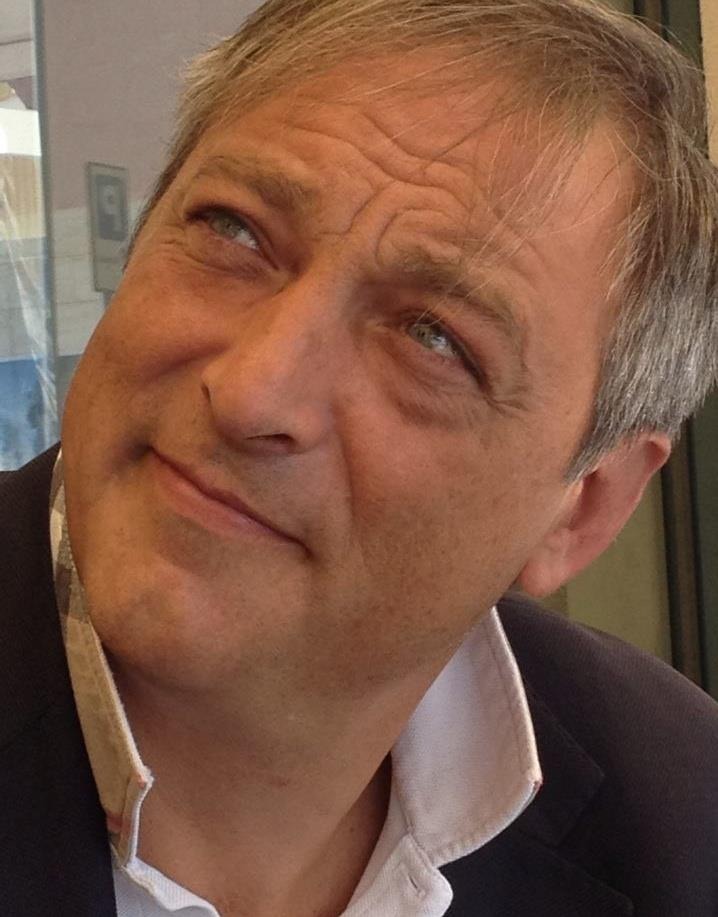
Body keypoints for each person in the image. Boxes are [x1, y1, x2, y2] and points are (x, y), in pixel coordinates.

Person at [1, 1, 717, 914]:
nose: (252, 391)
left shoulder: (683, 820)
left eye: (432, 337)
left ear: (586, 506)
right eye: (234, 230)